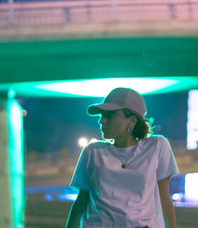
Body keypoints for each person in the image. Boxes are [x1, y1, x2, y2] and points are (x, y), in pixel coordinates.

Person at [66, 87, 179, 228]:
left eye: (109, 115)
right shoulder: (92, 151)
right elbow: (81, 201)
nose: (102, 121)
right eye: (102, 115)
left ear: (132, 120)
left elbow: (165, 200)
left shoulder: (157, 146)